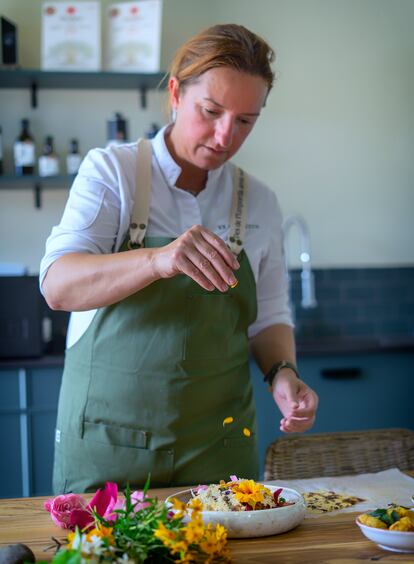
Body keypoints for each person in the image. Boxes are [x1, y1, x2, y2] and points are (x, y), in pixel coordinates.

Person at [40, 23, 318, 494]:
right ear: (175, 93)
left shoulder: (261, 202)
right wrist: (157, 261)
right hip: (111, 448)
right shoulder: (114, 172)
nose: (225, 135)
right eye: (210, 111)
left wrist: (282, 373)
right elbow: (58, 285)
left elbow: (268, 316)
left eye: (246, 120)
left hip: (220, 448)